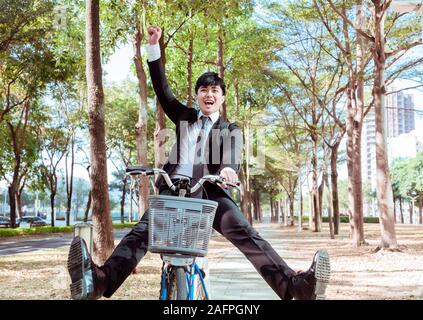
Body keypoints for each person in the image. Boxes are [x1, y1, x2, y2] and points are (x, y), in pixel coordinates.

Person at [67, 25, 330, 300]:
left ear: (222, 97)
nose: (209, 94)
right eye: (203, 90)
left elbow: (232, 154)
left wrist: (228, 169)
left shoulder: (230, 129)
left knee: (246, 233)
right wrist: (154, 48)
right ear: (197, 97)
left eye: (215, 90)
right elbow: (162, 89)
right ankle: (96, 281)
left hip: (210, 191)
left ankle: (297, 287)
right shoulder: (184, 117)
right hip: (173, 189)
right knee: (140, 234)